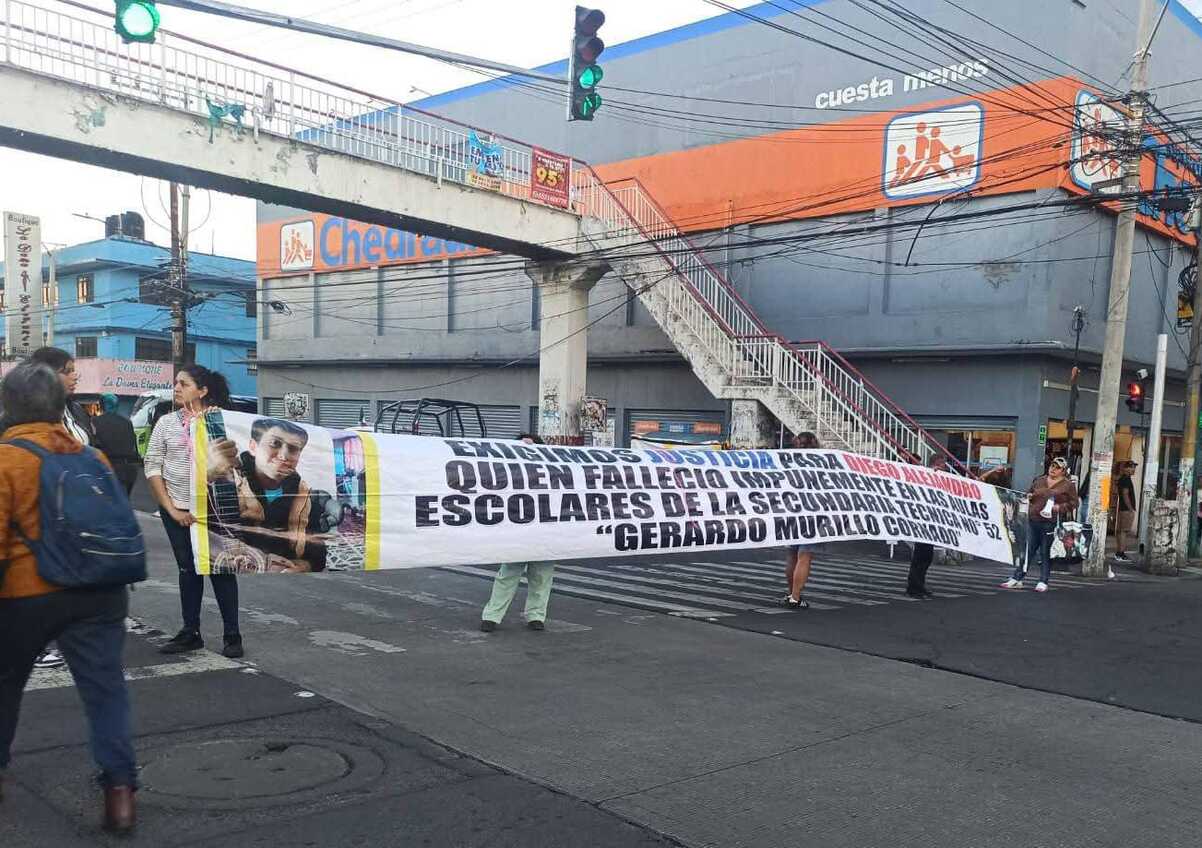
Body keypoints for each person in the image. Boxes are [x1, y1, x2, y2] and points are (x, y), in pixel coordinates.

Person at [0, 362, 137, 833]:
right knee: (105, 692)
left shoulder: (6, 459)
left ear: (9, 406)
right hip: (100, 592)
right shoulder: (91, 457)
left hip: (28, 595)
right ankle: (120, 792)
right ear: (62, 407)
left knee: (4, 686)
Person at [144, 365, 243, 658]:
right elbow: (152, 466)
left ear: (202, 391)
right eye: (175, 383)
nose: (176, 388)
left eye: (183, 384)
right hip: (177, 509)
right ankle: (191, 632)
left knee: (221, 570)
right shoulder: (165, 422)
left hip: (215, 512)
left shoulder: (222, 423)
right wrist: (172, 510)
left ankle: (232, 635)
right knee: (188, 570)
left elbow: (239, 467)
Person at [27, 347, 95, 672]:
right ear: (49, 374)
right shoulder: (24, 414)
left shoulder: (75, 411)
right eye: (69, 370)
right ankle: (37, 645)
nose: (75, 375)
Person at [206, 417, 329, 573]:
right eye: (274, 444)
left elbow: (317, 555)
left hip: (284, 586)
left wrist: (302, 566)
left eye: (293, 449)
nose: (284, 455)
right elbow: (194, 521)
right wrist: (208, 475)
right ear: (253, 446)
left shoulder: (305, 500)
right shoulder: (222, 485)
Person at [480, 434, 556, 633]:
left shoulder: (551, 472)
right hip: (517, 533)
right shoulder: (506, 472)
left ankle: (536, 616)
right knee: (507, 575)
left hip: (543, 533)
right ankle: (492, 616)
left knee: (541, 576)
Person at [1001, 456, 1078, 592]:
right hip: (1033, 518)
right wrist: (1029, 496)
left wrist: (1060, 507)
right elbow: (1029, 493)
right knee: (1028, 550)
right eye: (1052, 465)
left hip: (1051, 522)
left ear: (1063, 471)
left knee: (1045, 552)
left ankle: (1043, 580)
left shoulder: (1068, 485)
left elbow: (1074, 503)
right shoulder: (1039, 480)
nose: (1053, 469)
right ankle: (1017, 577)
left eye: (1057, 467)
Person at [783, 431, 822, 609]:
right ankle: (796, 597)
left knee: (792, 554)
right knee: (804, 555)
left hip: (791, 512)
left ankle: (791, 593)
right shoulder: (821, 463)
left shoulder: (790, 461)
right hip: (810, 514)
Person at [91, 393, 141, 496]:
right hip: (127, 471)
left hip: (104, 469)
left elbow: (93, 445)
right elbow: (133, 445)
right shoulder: (127, 422)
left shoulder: (95, 421)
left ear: (101, 405)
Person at [1114, 461, 1138, 563]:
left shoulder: (1122, 479)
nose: (1133, 470)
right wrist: (1130, 508)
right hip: (1126, 509)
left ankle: (1119, 552)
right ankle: (1121, 553)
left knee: (1120, 531)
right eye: (1132, 468)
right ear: (1126, 468)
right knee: (1123, 531)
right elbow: (1125, 494)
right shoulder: (1126, 479)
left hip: (1122, 509)